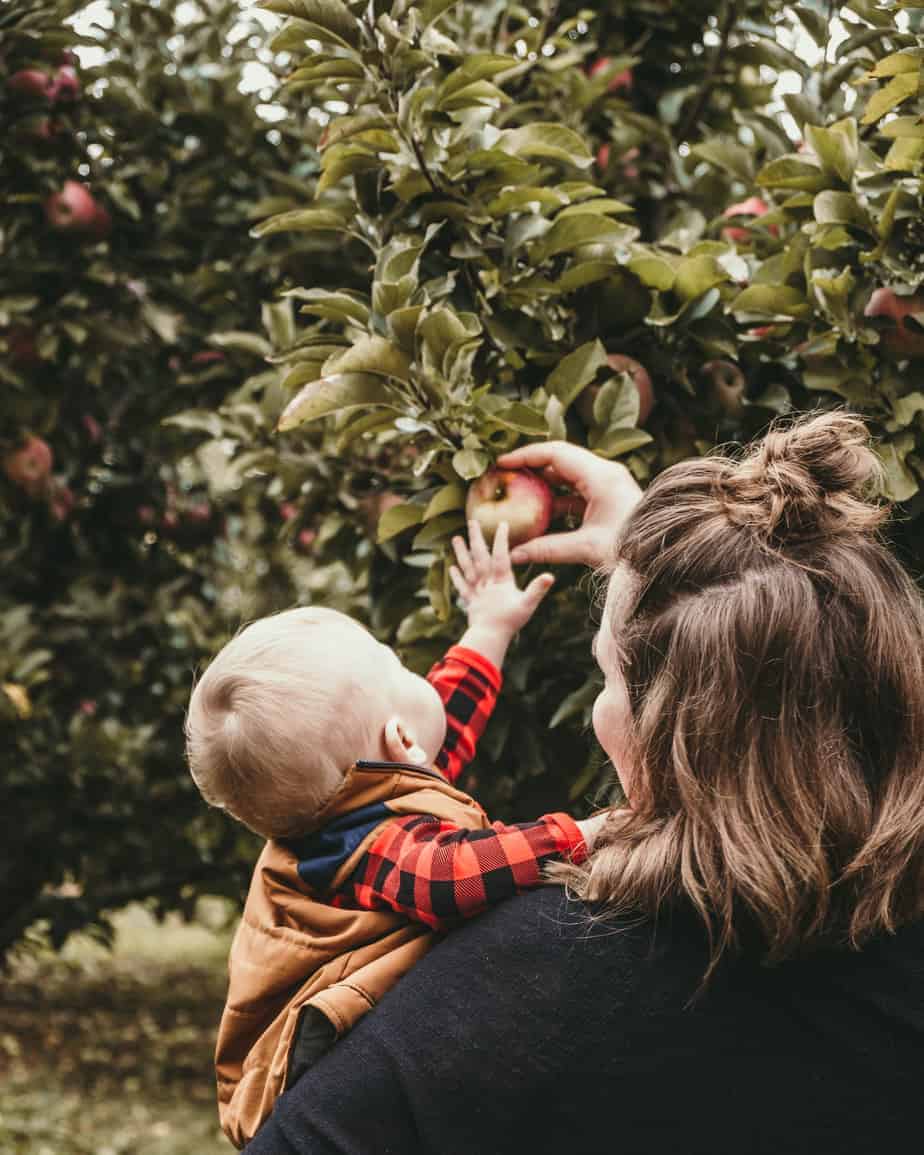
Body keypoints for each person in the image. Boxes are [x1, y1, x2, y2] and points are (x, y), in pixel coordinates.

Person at [242, 411, 924, 1155]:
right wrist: (697, 564)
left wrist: (581, 832)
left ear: (675, 734)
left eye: (608, 677)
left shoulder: (528, 982)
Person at [185, 523, 610, 1147]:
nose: (423, 676)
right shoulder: (374, 853)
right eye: (398, 664)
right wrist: (589, 833)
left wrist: (489, 626)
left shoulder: (349, 810)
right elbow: (454, 877)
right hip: (317, 1091)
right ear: (399, 744)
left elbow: (442, 728)